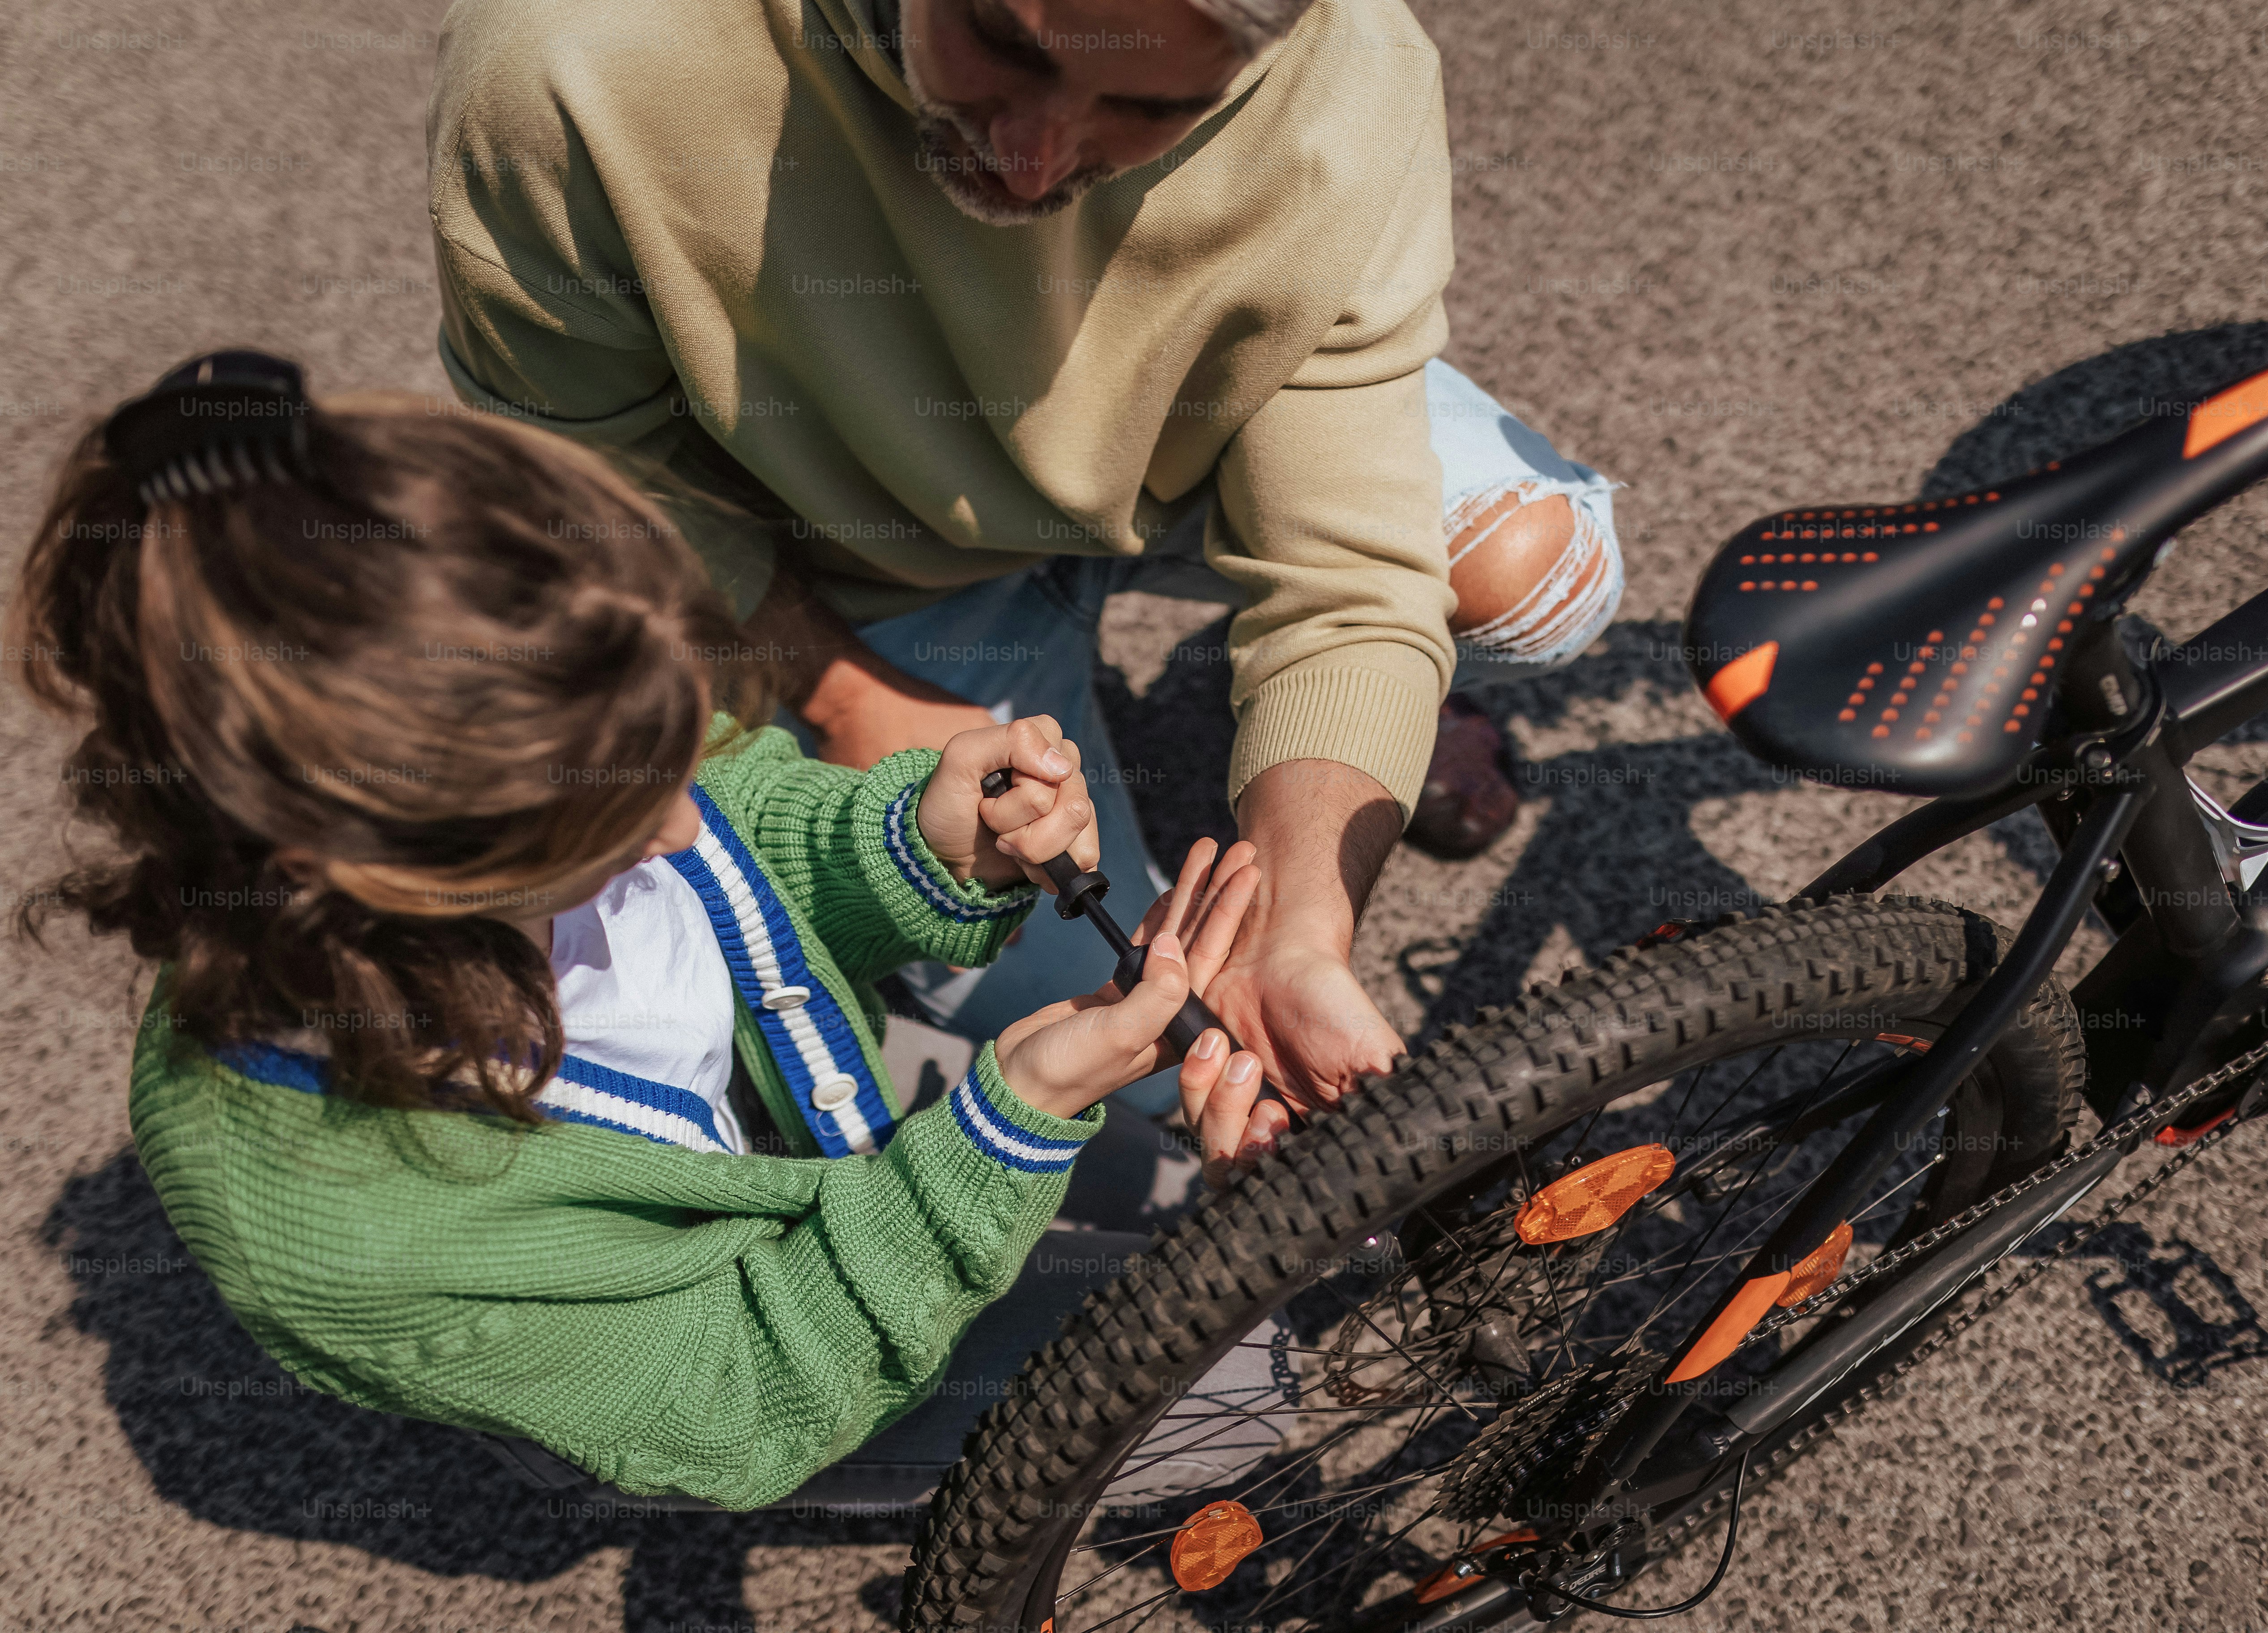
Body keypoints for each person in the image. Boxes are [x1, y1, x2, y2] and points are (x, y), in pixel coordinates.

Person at [9, 352, 1289, 1509]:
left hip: (787, 1117)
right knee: (1256, 1379)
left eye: (680, 735)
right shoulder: (337, 1220)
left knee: (1132, 1173)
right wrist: (992, 1137)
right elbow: (732, 1398)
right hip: (765, 1355)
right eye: (616, 828)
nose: (683, 832)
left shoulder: (543, 752)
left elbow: (737, 815)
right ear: (378, 869)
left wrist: (912, 840)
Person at [424, 0, 1625, 1091]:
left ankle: (1288, 738)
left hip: (1175, 452)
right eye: (1003, 47)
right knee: (1154, 1068)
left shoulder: (1355, 70)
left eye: (1151, 105)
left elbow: (1348, 574)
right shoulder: (574, 52)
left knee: (1541, 576)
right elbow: (581, 475)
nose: (1032, 158)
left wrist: (1302, 923)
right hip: (838, 571)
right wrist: (851, 699)